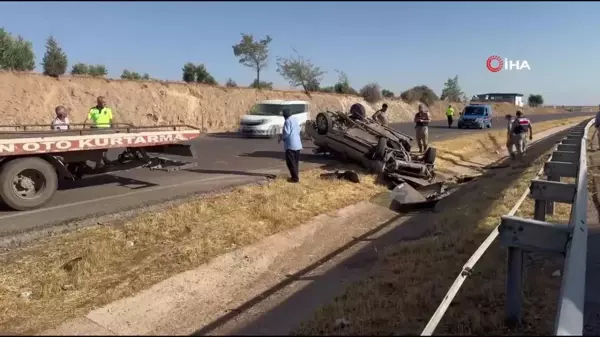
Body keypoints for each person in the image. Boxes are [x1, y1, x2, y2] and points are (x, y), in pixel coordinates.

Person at [279, 108, 303, 183]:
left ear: (285, 115)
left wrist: (281, 138)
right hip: (298, 144)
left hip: (291, 145)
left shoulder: (287, 121)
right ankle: (296, 176)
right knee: (295, 162)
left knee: (290, 162)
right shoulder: (295, 120)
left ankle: (295, 178)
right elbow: (299, 129)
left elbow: (286, 132)